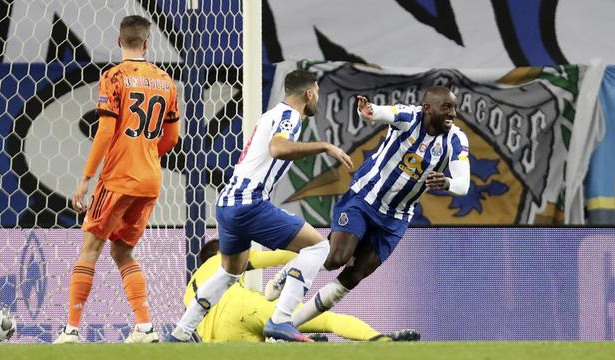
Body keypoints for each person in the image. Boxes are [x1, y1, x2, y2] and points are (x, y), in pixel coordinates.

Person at [169, 70, 353, 343]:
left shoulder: (271, 115)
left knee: (230, 272)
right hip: (250, 202)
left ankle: (182, 331)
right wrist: (325, 146)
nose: (318, 99)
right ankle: (280, 319)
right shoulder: (290, 116)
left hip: (227, 202)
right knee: (318, 246)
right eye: (317, 93)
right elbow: (278, 148)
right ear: (309, 93)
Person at [266, 86, 470, 329]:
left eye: (455, 108)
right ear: (427, 108)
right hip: (364, 199)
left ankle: (288, 326)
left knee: (352, 277)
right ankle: (289, 271)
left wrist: (448, 182)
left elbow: (463, 185)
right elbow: (384, 113)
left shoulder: (456, 139)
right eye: (446, 107)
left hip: (396, 219)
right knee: (334, 259)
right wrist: (368, 111)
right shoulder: (409, 117)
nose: (453, 113)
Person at [53, 15, 180, 344]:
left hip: (119, 177)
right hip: (150, 180)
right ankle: (145, 327)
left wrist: (85, 178)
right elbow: (172, 138)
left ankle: (70, 330)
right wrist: (146, 152)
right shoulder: (166, 80)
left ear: (118, 40)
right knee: (122, 252)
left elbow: (106, 131)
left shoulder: (114, 76)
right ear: (147, 43)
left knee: (90, 248)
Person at [182, 240, 420, 342]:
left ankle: (301, 346)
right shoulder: (225, 258)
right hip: (241, 307)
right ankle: (380, 341)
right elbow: (279, 257)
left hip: (216, 341)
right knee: (327, 320)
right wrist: (316, 252)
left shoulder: (187, 292)